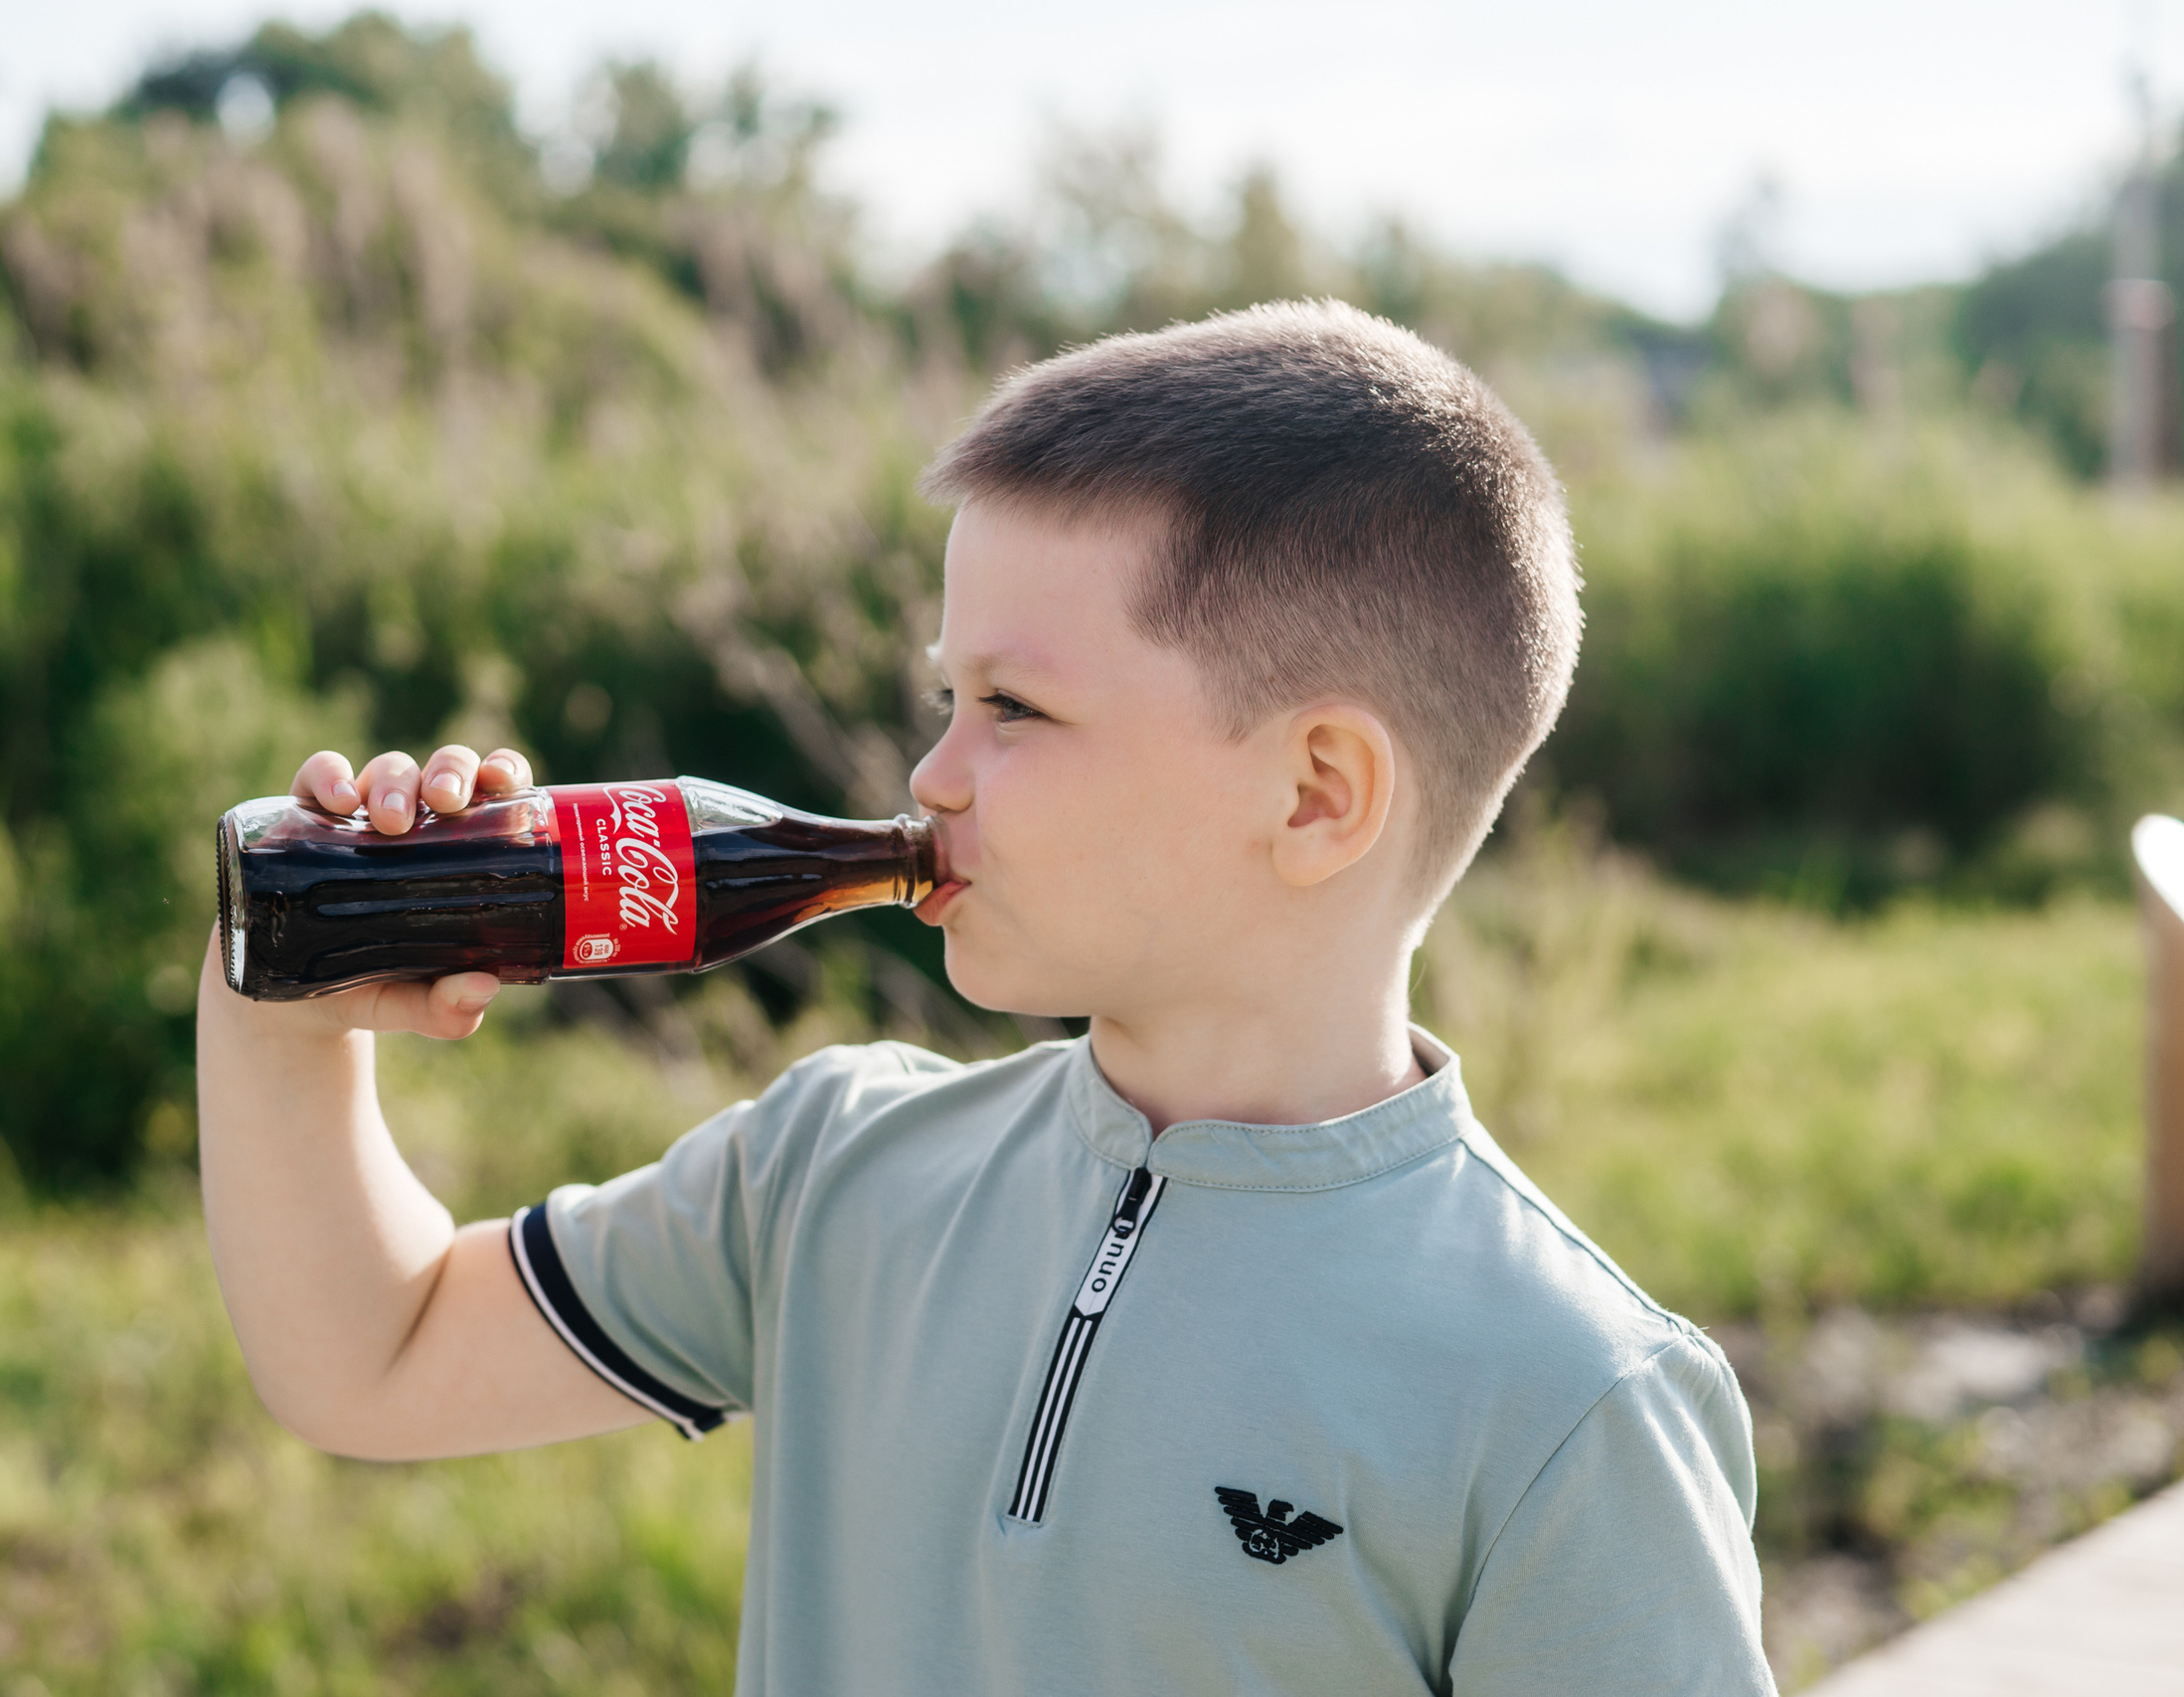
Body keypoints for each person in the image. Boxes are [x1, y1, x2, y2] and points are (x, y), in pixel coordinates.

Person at [197, 300, 1775, 1695]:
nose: (932, 773)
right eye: (946, 696)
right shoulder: (834, 1172)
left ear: (1316, 795)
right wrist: (291, 998)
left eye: (1012, 708)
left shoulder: (1568, 1398)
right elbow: (376, 1355)